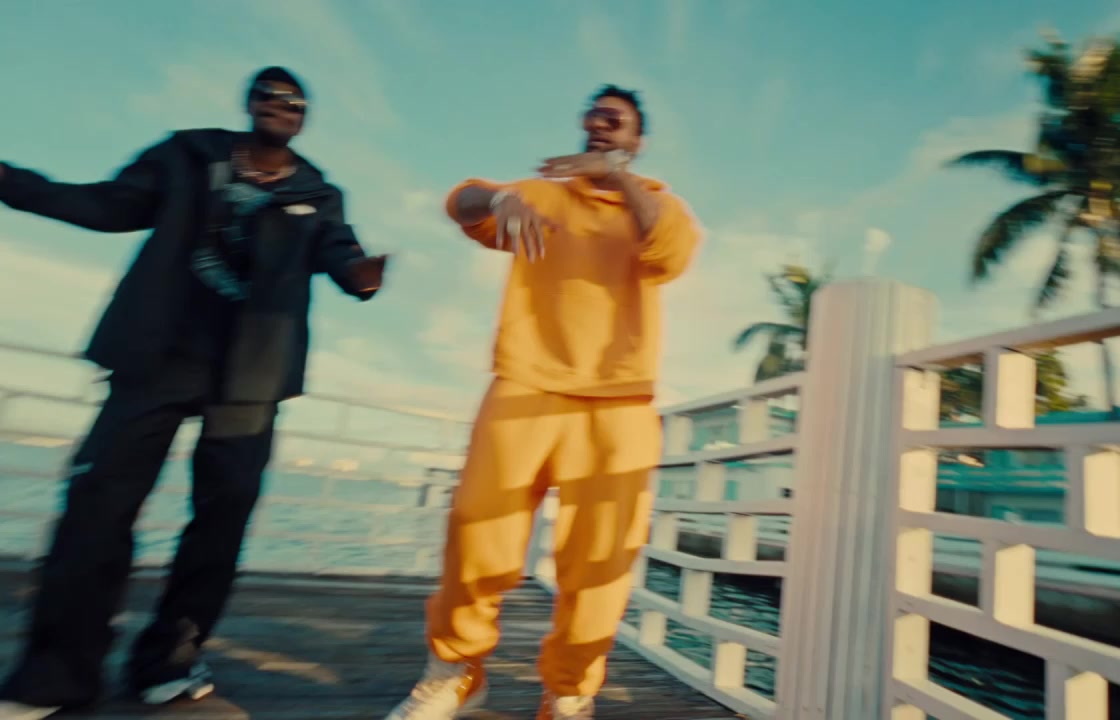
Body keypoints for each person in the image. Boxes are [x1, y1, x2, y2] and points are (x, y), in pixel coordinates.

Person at [0, 66, 388, 720]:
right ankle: (56, 674)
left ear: (303, 119)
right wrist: (11, 182)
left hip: (250, 380)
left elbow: (340, 253)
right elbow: (108, 205)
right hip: (156, 356)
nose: (281, 105)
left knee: (220, 522)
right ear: (250, 103)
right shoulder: (186, 155)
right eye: (269, 94)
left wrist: (361, 274)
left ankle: (170, 660)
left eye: (294, 101)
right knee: (98, 506)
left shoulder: (320, 194)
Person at [382, 85, 702, 720]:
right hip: (524, 382)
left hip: (619, 401)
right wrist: (499, 199)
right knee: (476, 529)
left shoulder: (660, 204)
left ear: (637, 141)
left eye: (617, 121)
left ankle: (569, 692)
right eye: (595, 116)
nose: (601, 124)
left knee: (600, 561)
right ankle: (456, 671)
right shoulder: (543, 194)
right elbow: (460, 201)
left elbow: (670, 252)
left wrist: (618, 177)